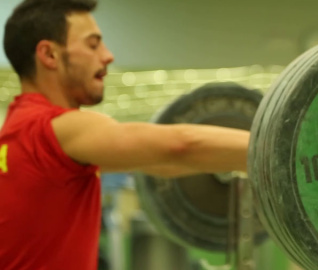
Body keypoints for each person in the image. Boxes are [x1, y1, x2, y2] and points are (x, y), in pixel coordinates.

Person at [0, 0, 250, 269]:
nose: (108, 56)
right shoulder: (53, 128)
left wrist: (248, 163)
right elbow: (180, 146)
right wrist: (280, 149)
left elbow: (165, 162)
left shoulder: (18, 131)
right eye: (93, 45)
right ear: (49, 55)